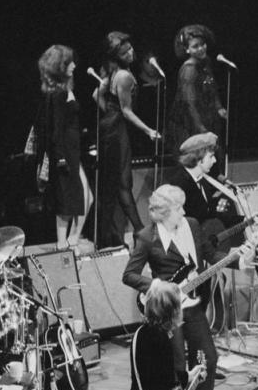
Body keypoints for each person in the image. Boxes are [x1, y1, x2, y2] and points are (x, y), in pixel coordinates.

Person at [122, 185, 229, 390]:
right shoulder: (147, 237)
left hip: (192, 305)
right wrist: (158, 284)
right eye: (178, 208)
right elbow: (129, 275)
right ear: (164, 213)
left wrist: (240, 259)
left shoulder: (191, 225)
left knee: (208, 358)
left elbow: (211, 255)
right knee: (176, 365)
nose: (183, 212)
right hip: (169, 308)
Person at [94, 31, 160, 248]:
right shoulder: (124, 76)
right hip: (116, 130)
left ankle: (118, 233)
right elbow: (127, 111)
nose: (131, 52)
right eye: (126, 51)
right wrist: (148, 130)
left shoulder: (115, 73)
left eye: (131, 48)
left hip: (111, 127)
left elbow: (97, 96)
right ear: (118, 55)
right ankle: (139, 231)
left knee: (117, 184)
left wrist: (108, 112)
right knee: (123, 183)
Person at [35, 44, 92, 250]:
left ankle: (70, 241)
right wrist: (60, 158)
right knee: (68, 201)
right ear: (60, 66)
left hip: (72, 152)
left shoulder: (61, 91)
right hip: (66, 153)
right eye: (69, 62)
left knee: (80, 198)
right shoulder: (57, 94)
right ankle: (65, 243)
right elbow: (55, 130)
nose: (74, 65)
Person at [166, 24, 227, 178]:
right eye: (195, 46)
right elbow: (189, 103)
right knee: (196, 163)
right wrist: (201, 128)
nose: (201, 49)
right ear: (187, 49)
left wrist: (219, 107)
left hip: (204, 115)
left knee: (213, 157)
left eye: (202, 44)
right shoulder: (188, 70)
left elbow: (212, 86)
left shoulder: (205, 61)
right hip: (188, 123)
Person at [127, 281, 188, 390]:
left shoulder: (140, 333)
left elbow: (157, 376)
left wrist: (188, 376)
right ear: (172, 311)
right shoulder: (161, 341)